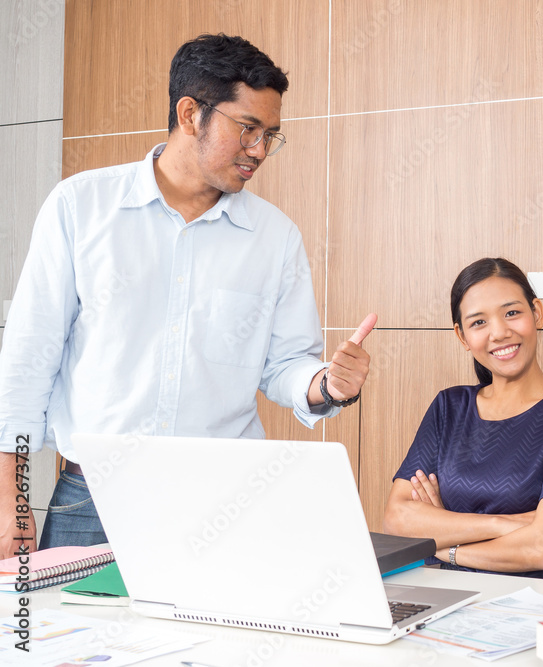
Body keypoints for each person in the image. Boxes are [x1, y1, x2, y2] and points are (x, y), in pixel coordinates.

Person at [0, 34, 376, 559]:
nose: (259, 151)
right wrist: (9, 499)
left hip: (223, 503)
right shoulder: (79, 208)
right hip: (93, 502)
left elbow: (285, 364)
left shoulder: (275, 238)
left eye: (271, 136)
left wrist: (325, 385)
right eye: (248, 129)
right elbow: (27, 361)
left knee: (219, 643)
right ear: (189, 113)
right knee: (67, 641)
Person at [382, 258, 543, 580]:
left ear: (536, 313)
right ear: (462, 336)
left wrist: (445, 542)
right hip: (443, 597)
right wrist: (504, 524)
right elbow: (397, 519)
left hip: (529, 608)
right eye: (478, 323)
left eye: (512, 312)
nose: (499, 332)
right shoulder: (449, 407)